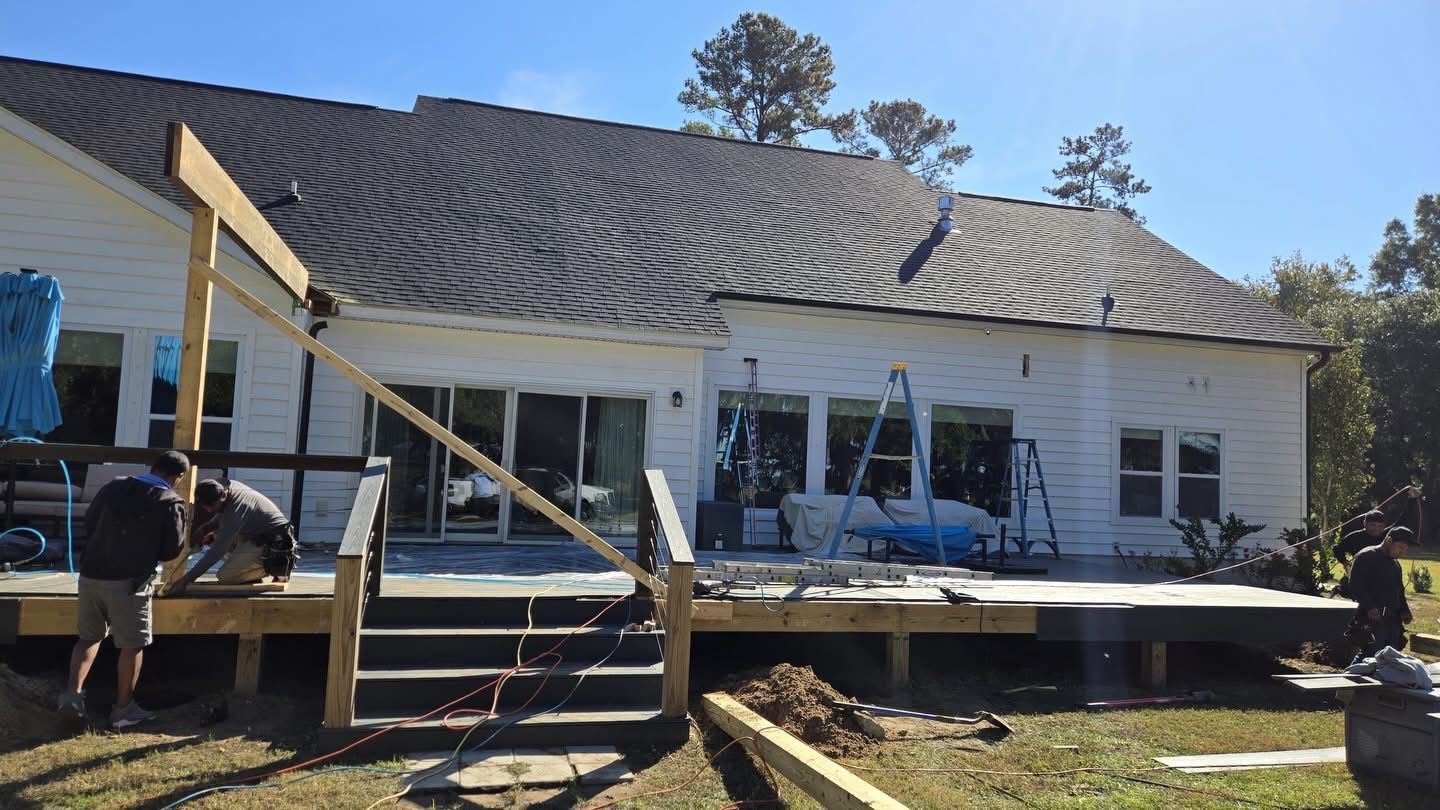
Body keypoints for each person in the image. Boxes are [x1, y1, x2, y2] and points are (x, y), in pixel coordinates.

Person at [57, 451, 189, 729]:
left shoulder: (114, 486)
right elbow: (171, 551)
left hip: (90, 574)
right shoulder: (170, 502)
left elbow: (90, 521)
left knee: (88, 638)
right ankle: (123, 709)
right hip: (129, 582)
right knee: (131, 645)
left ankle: (73, 695)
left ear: (153, 467)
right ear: (177, 477)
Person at [167, 478, 296, 596]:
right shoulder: (223, 487)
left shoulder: (235, 509)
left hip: (275, 544)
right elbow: (223, 513)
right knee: (212, 539)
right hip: (255, 535)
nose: (209, 511)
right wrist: (205, 528)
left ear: (223, 496)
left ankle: (277, 568)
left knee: (227, 577)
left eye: (212, 507)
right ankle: (248, 570)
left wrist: (185, 580)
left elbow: (216, 552)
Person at [1344, 526, 1415, 659]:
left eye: (1405, 549)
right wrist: (1370, 607)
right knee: (1369, 656)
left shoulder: (1395, 565)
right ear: (1388, 540)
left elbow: (1399, 590)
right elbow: (1355, 586)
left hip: (1393, 621)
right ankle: (1348, 679)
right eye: (1400, 547)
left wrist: (1405, 610)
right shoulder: (1366, 556)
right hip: (1371, 620)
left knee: (1389, 657)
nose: (1403, 552)